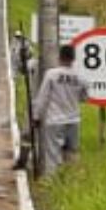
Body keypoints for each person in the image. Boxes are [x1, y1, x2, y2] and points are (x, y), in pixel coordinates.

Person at [33, 41, 88, 177]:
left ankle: (50, 183)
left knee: (52, 154)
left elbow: (42, 97)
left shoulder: (51, 74)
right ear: (73, 59)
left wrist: (36, 117)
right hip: (73, 120)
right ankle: (71, 181)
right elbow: (84, 98)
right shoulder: (80, 77)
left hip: (55, 120)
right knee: (71, 153)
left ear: (60, 57)